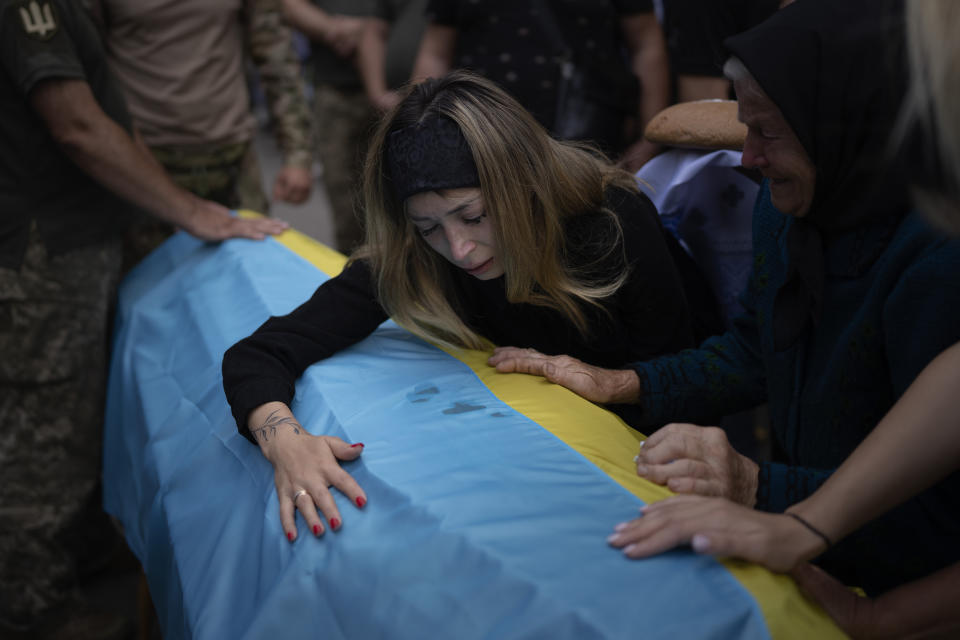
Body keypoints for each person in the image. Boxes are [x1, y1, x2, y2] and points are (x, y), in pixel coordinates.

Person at [492, 0, 960, 596]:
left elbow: (939, 518)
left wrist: (757, 488)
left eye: (768, 132)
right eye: (746, 127)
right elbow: (755, 351)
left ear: (845, 125)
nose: (748, 159)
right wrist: (618, 382)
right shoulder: (791, 207)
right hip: (811, 554)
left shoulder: (936, 258)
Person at [222, 70, 716, 541]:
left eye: (474, 216)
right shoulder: (411, 257)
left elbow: (688, 383)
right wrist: (284, 440)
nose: (458, 249)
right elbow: (260, 352)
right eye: (429, 227)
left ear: (524, 182)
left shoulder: (611, 223)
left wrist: (612, 387)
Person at [0, 0, 286, 636]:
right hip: (42, 248)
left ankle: (75, 553)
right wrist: (195, 212)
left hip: (66, 237)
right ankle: (35, 609)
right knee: (42, 437)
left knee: (70, 418)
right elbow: (76, 123)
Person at [87, 0, 313, 262]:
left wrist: (298, 154)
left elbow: (276, 51)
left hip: (233, 162)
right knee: (150, 288)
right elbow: (88, 63)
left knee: (254, 276)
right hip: (146, 167)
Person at [411, 0, 669, 170]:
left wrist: (650, 139)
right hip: (480, 146)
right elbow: (435, 54)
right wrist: (420, 134)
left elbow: (646, 44)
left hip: (589, 150)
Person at [281, 0, 377, 253]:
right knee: (348, 209)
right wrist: (334, 29)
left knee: (405, 201)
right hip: (336, 88)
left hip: (399, 88)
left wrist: (370, 32)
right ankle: (357, 279)